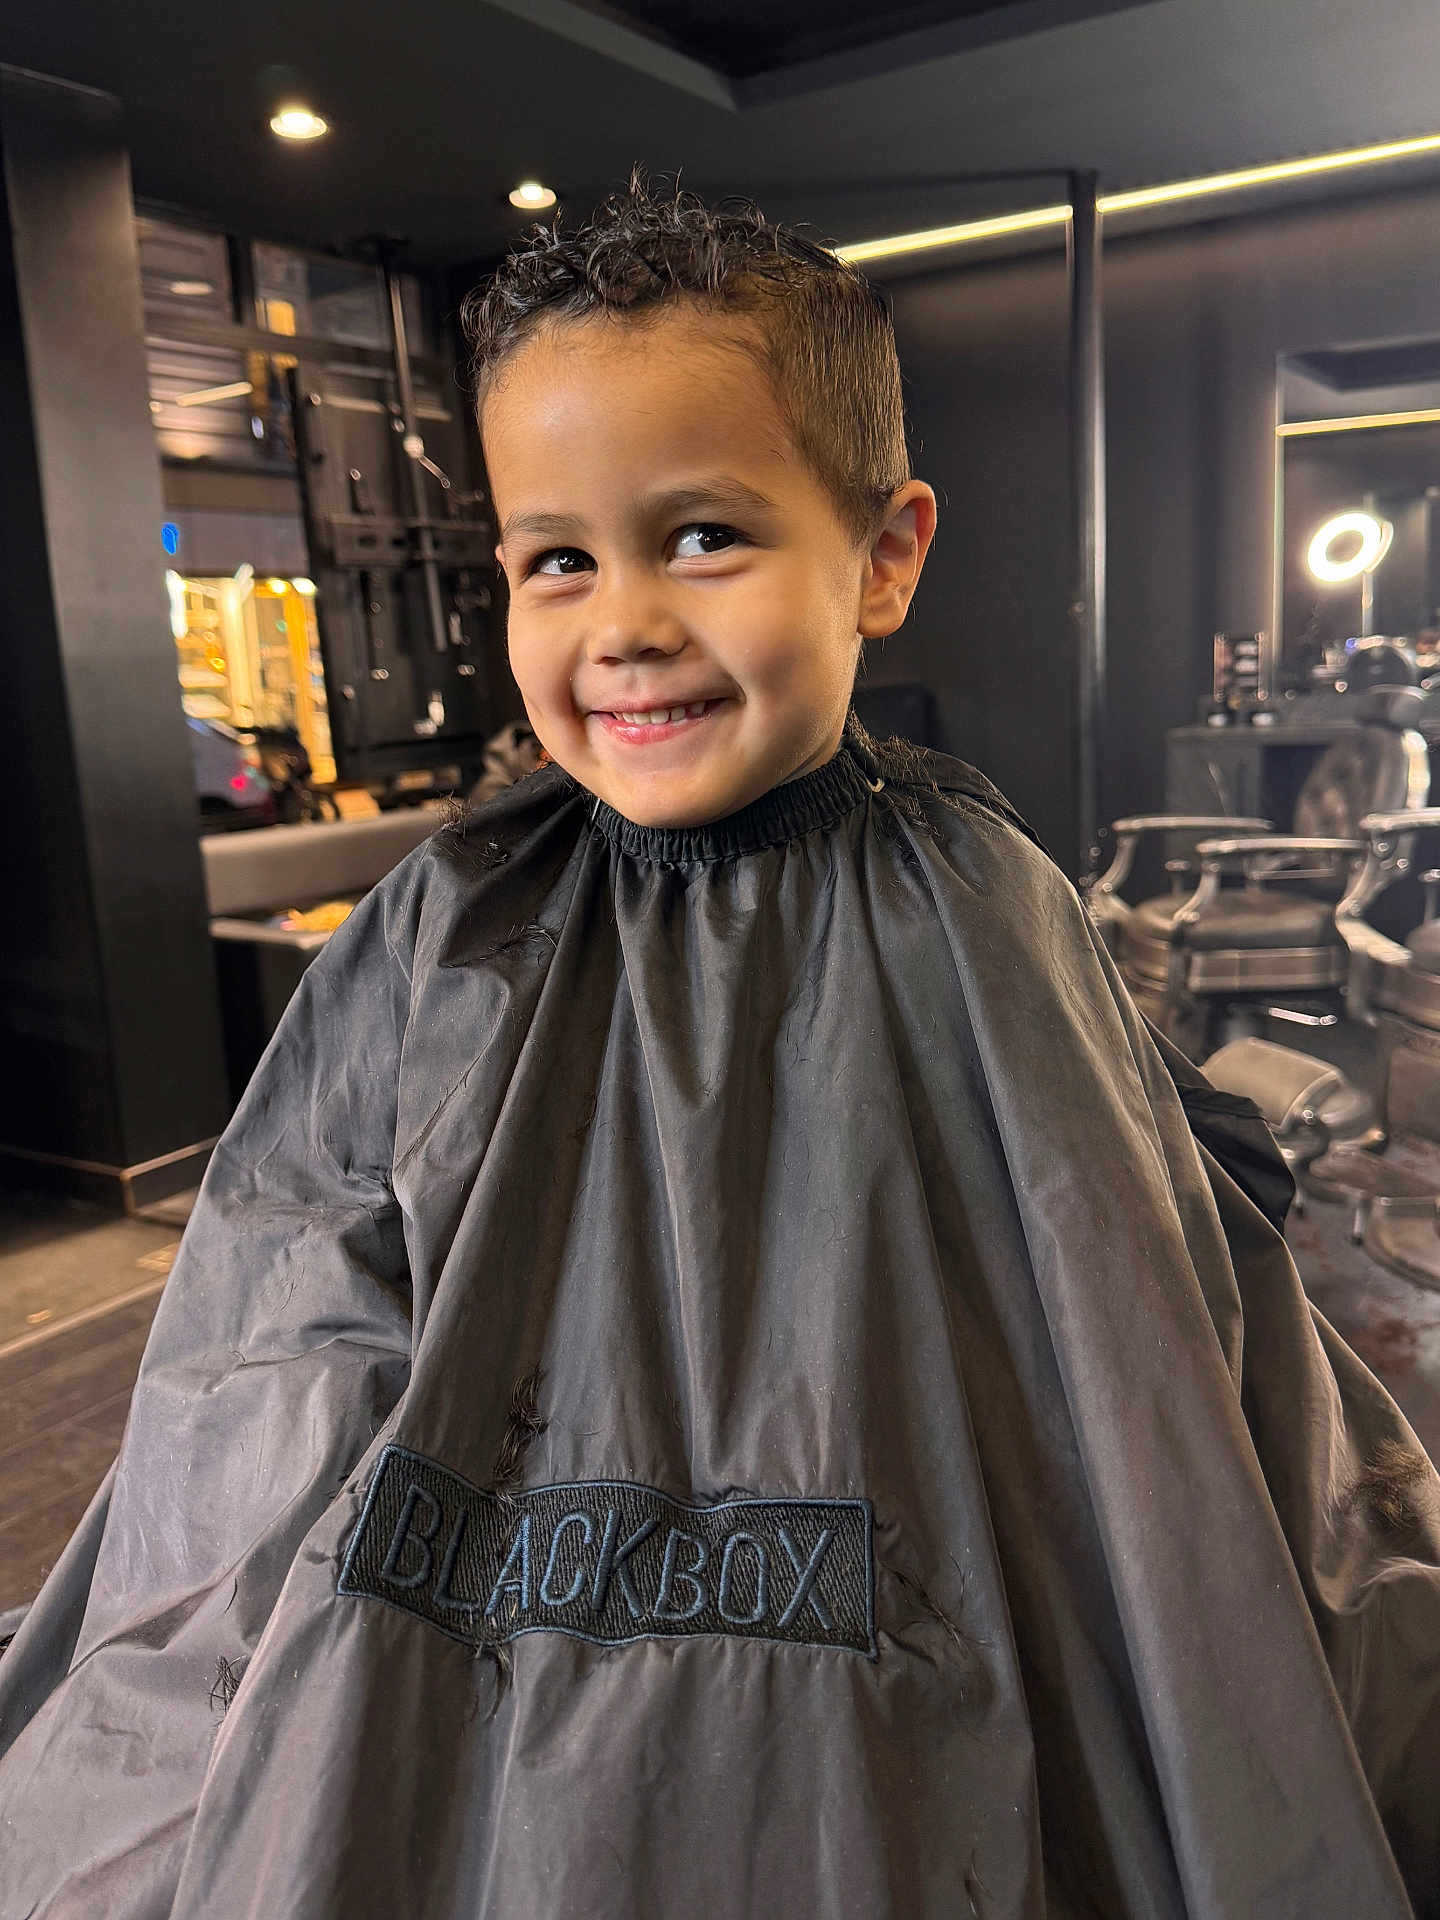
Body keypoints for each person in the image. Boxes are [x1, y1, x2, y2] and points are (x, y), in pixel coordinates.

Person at [2, 179, 1438, 1920]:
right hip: (463, 1636)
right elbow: (295, 1299)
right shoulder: (454, 918)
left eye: (701, 537)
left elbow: (1135, 1324)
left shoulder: (982, 904)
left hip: (929, 1632)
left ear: (884, 555)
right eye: (558, 559)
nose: (621, 624)